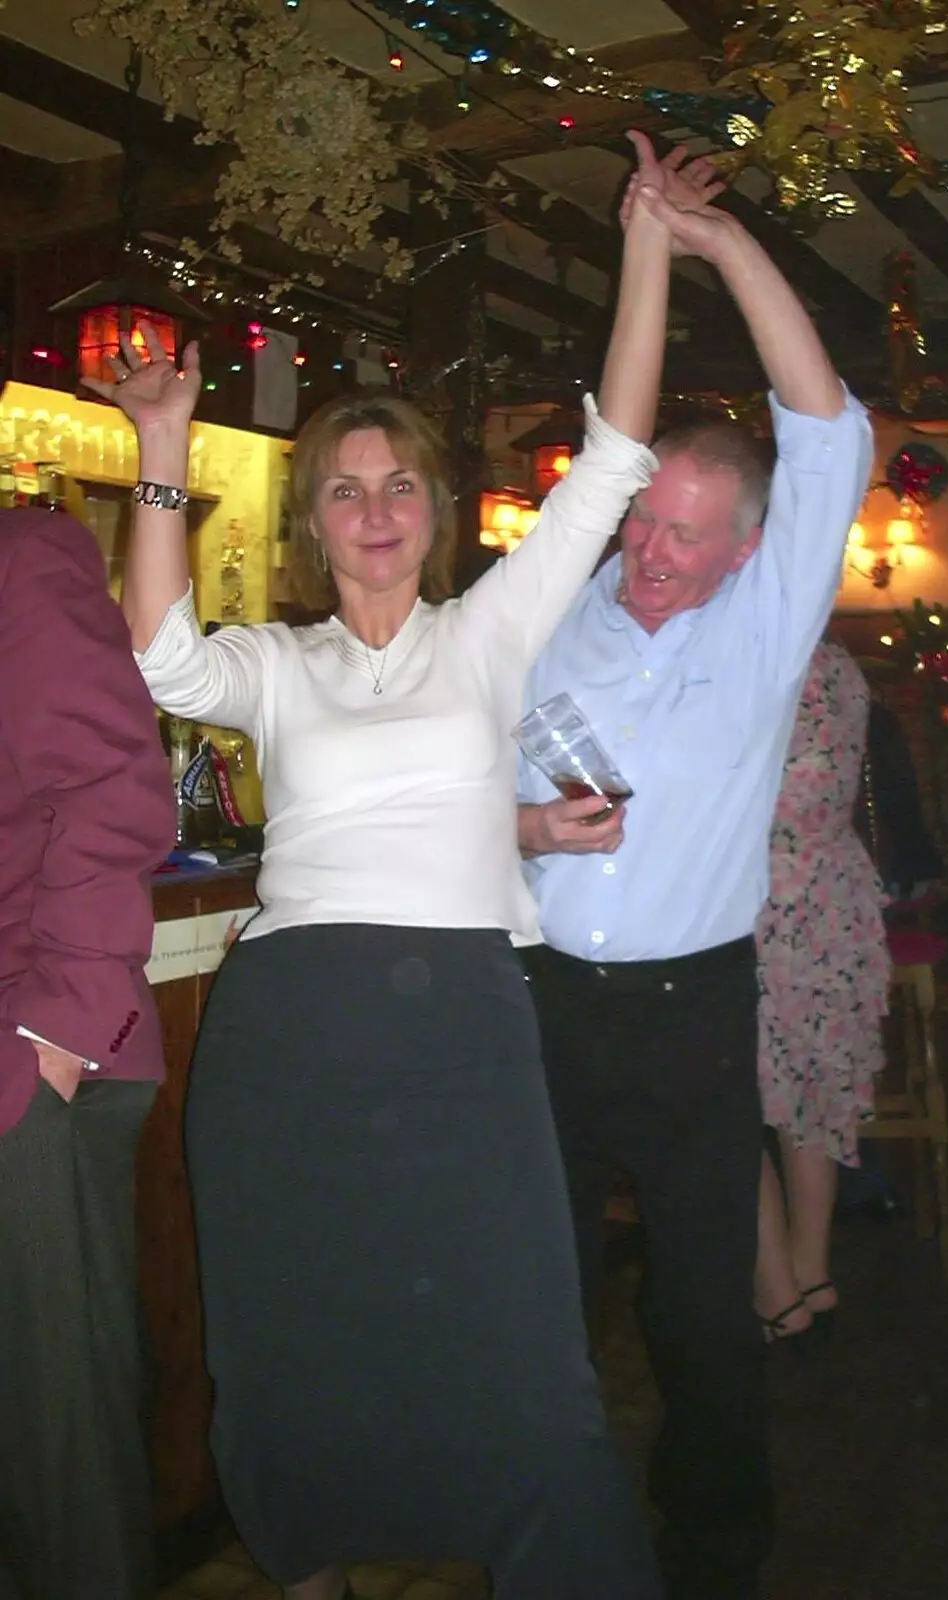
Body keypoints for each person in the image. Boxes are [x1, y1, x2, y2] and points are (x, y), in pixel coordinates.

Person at [83, 135, 711, 1600]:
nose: (374, 509)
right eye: (345, 489)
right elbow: (155, 654)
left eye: (401, 486)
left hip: (458, 1031)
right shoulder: (280, 663)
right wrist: (163, 450)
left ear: (435, 512)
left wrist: (646, 245)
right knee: (289, 1331)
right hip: (290, 1031)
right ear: (314, 526)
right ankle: (305, 1554)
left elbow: (614, 457)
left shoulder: (485, 635)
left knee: (516, 1331)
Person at [517, 151, 874, 1600]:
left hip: (685, 1008)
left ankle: (716, 1540)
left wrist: (716, 239)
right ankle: (536, 1513)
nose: (649, 552)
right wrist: (528, 833)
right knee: (535, 1286)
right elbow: (472, 797)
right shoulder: (560, 603)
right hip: (537, 997)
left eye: (682, 534)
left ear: (746, 550)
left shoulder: (763, 625)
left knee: (700, 1313)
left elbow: (826, 423)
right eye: (641, 522)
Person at [0, 508, 174, 1600]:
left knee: (57, 1466)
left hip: (25, 1073)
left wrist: (55, 1037)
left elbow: (115, 786)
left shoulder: (25, 556)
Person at [753, 639, 891, 1345]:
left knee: (722, 1101)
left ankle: (776, 1291)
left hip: (760, 904)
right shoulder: (839, 663)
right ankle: (810, 1274)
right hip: (833, 896)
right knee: (810, 1098)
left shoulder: (750, 661)